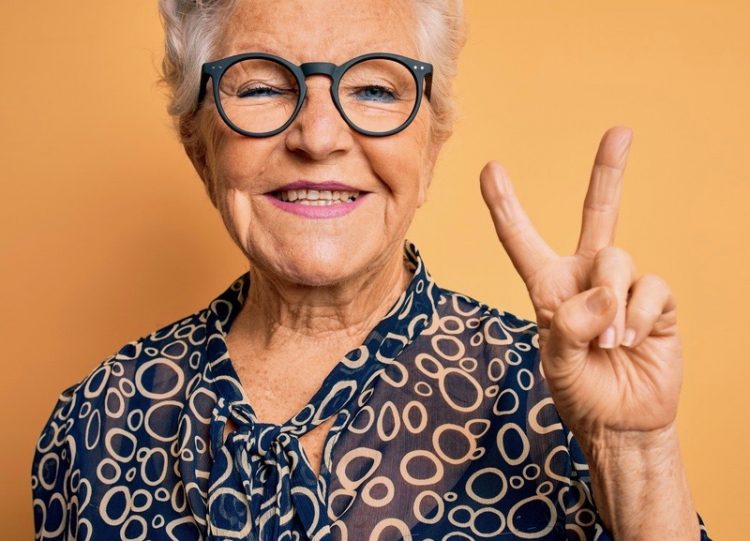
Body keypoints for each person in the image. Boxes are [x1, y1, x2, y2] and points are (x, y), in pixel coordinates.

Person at [31, 0, 712, 539]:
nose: (320, 137)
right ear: (198, 145)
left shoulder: (559, 398)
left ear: (431, 145)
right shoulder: (98, 423)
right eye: (265, 86)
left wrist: (635, 455)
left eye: (376, 90)